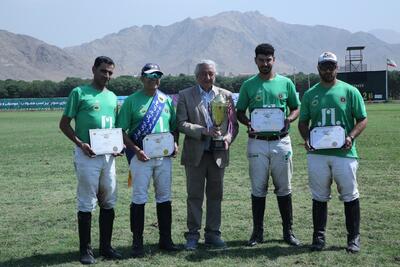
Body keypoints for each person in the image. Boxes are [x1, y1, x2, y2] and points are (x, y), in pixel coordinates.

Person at [298, 52, 367, 253]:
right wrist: (307, 139)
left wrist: (351, 137)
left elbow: (362, 119)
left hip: (344, 153)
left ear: (337, 68)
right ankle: (318, 238)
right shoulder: (310, 93)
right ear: (318, 68)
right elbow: (303, 122)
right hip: (318, 154)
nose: (328, 70)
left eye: (332, 66)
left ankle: (353, 238)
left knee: (350, 195)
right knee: (319, 195)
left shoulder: (350, 90)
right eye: (324, 66)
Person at [236, 43, 301, 247]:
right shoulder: (248, 85)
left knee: (284, 188)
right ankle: (257, 233)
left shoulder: (286, 83)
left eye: (268, 60)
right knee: (258, 189)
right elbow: (240, 112)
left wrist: (289, 119)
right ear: (255, 60)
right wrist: (249, 123)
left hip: (281, 142)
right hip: (257, 143)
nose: (265, 63)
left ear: (274, 60)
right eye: (261, 60)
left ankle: (288, 232)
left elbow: (296, 108)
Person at [59, 56, 122, 264]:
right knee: (87, 201)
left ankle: (106, 247)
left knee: (109, 200)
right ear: (94, 69)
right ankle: (85, 250)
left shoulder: (113, 97)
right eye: (103, 71)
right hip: (87, 155)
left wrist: (117, 146)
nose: (107, 76)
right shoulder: (79, 93)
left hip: (108, 157)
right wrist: (80, 144)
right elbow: (64, 124)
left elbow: (114, 128)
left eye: (110, 72)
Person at [117, 63, 179, 257]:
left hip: (164, 157)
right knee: (139, 198)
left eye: (158, 75)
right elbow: (121, 131)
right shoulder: (131, 101)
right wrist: (135, 150)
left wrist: (175, 143)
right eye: (151, 76)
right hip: (140, 157)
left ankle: (166, 239)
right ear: (142, 78)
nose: (155, 79)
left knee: (164, 197)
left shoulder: (166, 100)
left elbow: (174, 127)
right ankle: (137, 242)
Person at [176, 59, 239, 250]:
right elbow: (181, 123)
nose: (207, 77)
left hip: (218, 154)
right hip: (196, 154)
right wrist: (203, 130)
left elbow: (232, 125)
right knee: (194, 196)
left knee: (215, 195)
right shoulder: (185, 95)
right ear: (196, 76)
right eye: (203, 73)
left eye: (211, 73)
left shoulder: (226, 95)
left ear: (215, 75)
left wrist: (228, 138)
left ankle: (213, 234)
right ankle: (192, 235)